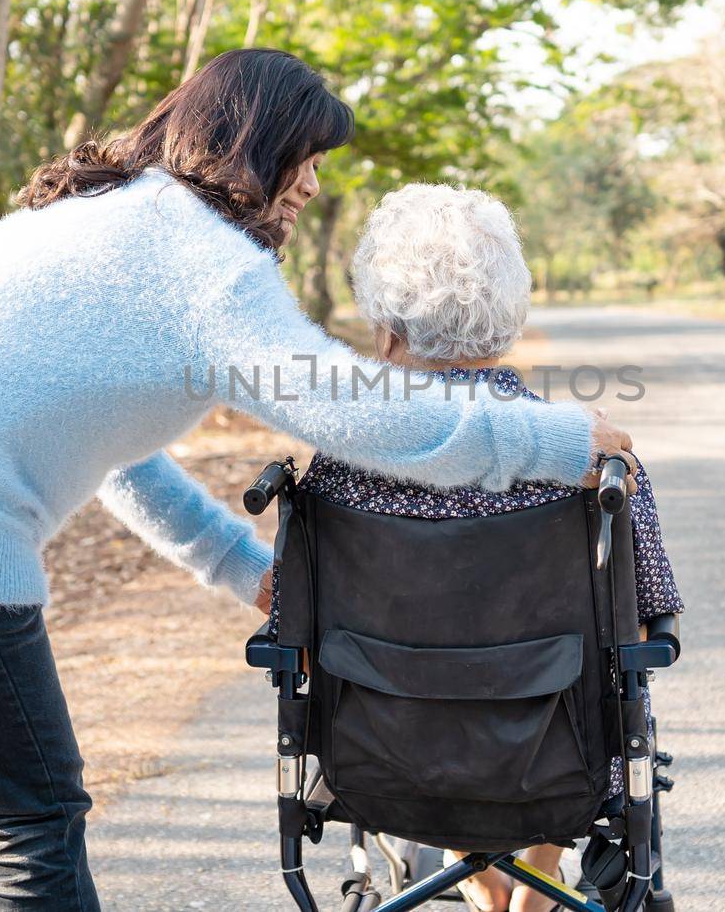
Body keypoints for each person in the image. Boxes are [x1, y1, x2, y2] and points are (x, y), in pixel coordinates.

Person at [0, 49, 638, 910]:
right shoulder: (204, 268)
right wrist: (561, 442)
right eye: (304, 157)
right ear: (252, 143)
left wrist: (241, 566)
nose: (310, 185)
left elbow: (120, 454)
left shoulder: (117, 213)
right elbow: (368, 415)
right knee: (30, 817)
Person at [285, 183, 683, 912]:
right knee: (588, 675)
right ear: (509, 320)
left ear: (385, 329)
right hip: (556, 766)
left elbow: (298, 631)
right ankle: (533, 872)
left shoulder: (337, 466)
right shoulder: (590, 457)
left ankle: (478, 863)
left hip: (381, 759)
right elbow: (647, 622)